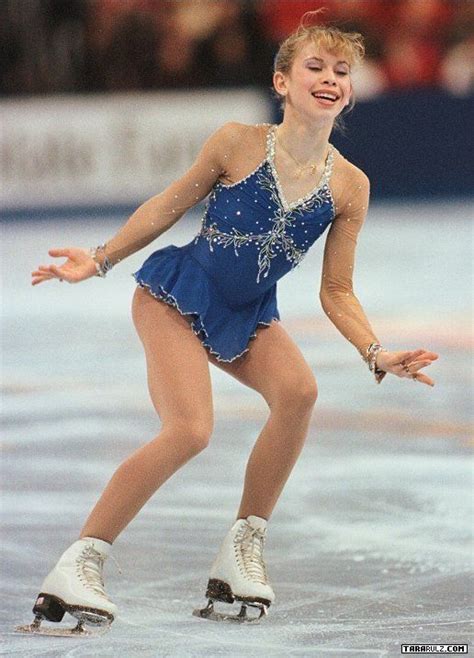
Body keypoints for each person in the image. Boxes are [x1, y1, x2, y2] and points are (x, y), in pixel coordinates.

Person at [24, 14, 438, 633]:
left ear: (350, 90)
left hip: (247, 315)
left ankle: (240, 552)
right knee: (190, 429)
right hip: (175, 296)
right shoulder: (237, 142)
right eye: (315, 67)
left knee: (298, 393)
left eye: (341, 71)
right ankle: (80, 561)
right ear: (282, 81)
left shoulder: (351, 186)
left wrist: (374, 352)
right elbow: (168, 205)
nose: (329, 79)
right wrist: (103, 257)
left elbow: (337, 290)